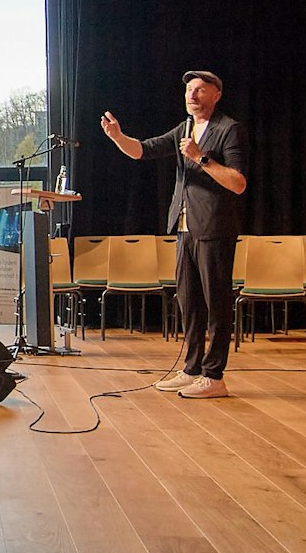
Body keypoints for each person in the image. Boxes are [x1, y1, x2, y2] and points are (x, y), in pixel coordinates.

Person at [100, 69, 249, 399]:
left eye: (199, 89)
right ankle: (193, 368)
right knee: (190, 302)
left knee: (217, 303)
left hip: (214, 228)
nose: (192, 95)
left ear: (216, 95)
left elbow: (238, 183)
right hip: (184, 228)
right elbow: (145, 150)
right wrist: (117, 138)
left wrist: (201, 157)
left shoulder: (228, 129)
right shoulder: (184, 128)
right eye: (189, 90)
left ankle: (214, 375)